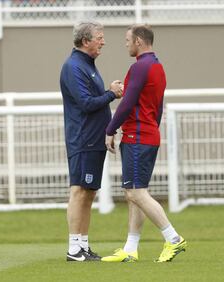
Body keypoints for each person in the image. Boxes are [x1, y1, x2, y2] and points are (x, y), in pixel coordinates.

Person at [102, 24, 187, 263]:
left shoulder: (140, 67)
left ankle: (173, 239)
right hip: (148, 135)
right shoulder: (157, 66)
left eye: (127, 39)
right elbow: (157, 107)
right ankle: (130, 248)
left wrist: (110, 129)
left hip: (137, 137)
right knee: (135, 193)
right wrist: (151, 129)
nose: (125, 43)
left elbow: (127, 103)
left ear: (139, 41)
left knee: (135, 192)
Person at [60, 21, 123, 262]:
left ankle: (82, 246)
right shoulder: (74, 66)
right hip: (83, 139)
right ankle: (74, 248)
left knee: (89, 192)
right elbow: (86, 103)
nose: (103, 41)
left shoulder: (87, 66)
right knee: (79, 191)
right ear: (86, 41)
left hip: (93, 139)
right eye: (99, 37)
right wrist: (111, 94)